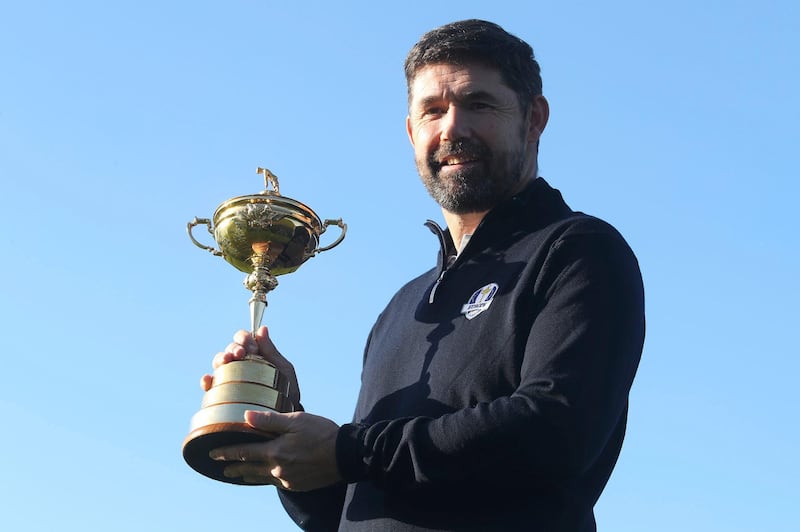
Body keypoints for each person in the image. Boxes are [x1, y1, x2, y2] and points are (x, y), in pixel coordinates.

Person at [203, 19, 645, 531]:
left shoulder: (578, 251)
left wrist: (346, 450)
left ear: (533, 119)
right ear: (412, 131)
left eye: (479, 104)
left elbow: (555, 432)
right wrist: (286, 432)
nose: (452, 128)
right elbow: (350, 512)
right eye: (433, 110)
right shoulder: (401, 306)